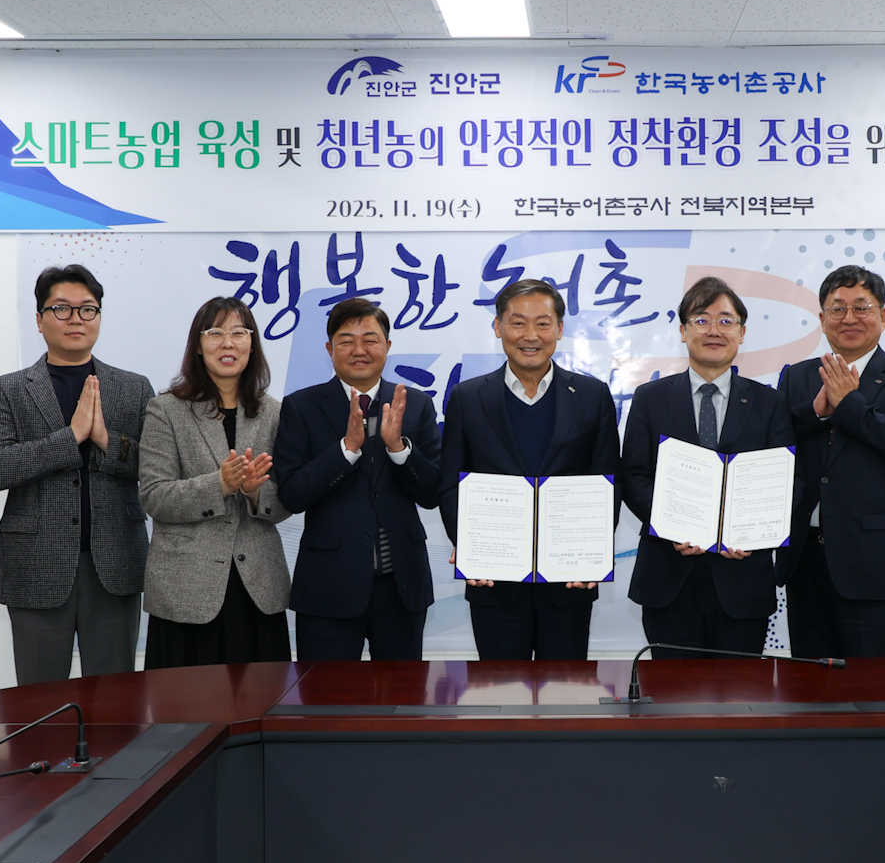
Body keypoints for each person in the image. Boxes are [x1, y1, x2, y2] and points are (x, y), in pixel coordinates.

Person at [0, 265, 154, 686]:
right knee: (39, 700)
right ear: (39, 320)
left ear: (99, 317)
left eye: (87, 309)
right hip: (35, 563)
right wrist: (70, 438)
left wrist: (106, 440)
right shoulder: (6, 390)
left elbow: (155, 467)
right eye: (61, 309)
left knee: (113, 698)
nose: (76, 318)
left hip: (115, 562)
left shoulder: (134, 388)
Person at [438, 278, 619, 660]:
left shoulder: (592, 396)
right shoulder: (468, 398)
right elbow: (451, 484)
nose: (530, 335)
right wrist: (469, 547)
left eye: (542, 323)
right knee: (499, 688)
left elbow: (608, 483)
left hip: (569, 581)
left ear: (560, 329)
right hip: (493, 580)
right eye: (518, 323)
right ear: (498, 327)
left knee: (565, 688)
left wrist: (594, 553)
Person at [621, 277, 796, 658]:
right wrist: (671, 524)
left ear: (742, 333)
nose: (714, 330)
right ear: (682, 331)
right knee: (670, 687)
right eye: (701, 320)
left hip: (742, 580)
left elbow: (785, 485)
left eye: (726, 321)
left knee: (739, 689)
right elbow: (634, 476)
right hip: (668, 575)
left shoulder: (770, 403)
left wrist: (752, 534)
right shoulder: (650, 398)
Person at [779, 265, 885, 659]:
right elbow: (775, 446)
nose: (849, 318)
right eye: (838, 309)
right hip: (806, 562)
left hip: (876, 566)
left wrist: (849, 404)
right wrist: (816, 413)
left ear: (882, 315)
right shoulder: (797, 377)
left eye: (861, 307)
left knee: (876, 687)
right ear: (822, 319)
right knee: (809, 685)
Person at [272, 298, 442, 661]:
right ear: (330, 349)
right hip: (329, 586)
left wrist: (399, 449)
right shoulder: (301, 406)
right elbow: (291, 495)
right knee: (324, 694)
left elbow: (431, 493)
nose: (359, 350)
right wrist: (346, 450)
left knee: (402, 692)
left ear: (387, 346)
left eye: (370, 339)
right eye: (346, 341)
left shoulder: (415, 404)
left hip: (402, 584)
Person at [137, 297, 291, 666]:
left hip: (257, 587)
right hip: (186, 590)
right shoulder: (166, 409)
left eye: (239, 333)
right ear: (198, 344)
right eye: (215, 333)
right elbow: (154, 495)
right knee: (186, 700)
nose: (227, 343)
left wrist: (255, 492)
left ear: (252, 344)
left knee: (261, 697)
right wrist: (219, 485)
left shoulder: (274, 412)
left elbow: (287, 500)